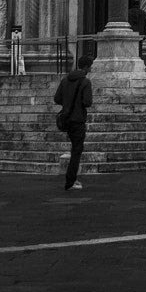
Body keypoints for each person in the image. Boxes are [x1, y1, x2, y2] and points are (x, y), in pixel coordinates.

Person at [54, 54, 93, 191]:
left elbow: (57, 98)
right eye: (90, 67)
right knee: (77, 150)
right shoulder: (85, 82)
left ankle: (71, 179)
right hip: (78, 119)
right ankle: (70, 181)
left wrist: (67, 103)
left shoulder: (65, 80)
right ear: (87, 67)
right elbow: (87, 102)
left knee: (75, 148)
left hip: (66, 119)